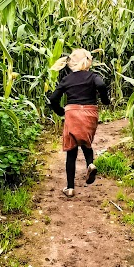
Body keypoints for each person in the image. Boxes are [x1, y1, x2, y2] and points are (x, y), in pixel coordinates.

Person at [48, 49, 110, 198]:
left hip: (73, 113)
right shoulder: (93, 76)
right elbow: (101, 85)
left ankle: (69, 188)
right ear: (87, 61)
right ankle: (90, 163)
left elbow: (53, 99)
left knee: (71, 151)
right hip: (90, 113)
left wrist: (60, 111)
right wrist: (105, 100)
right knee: (86, 143)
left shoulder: (67, 79)